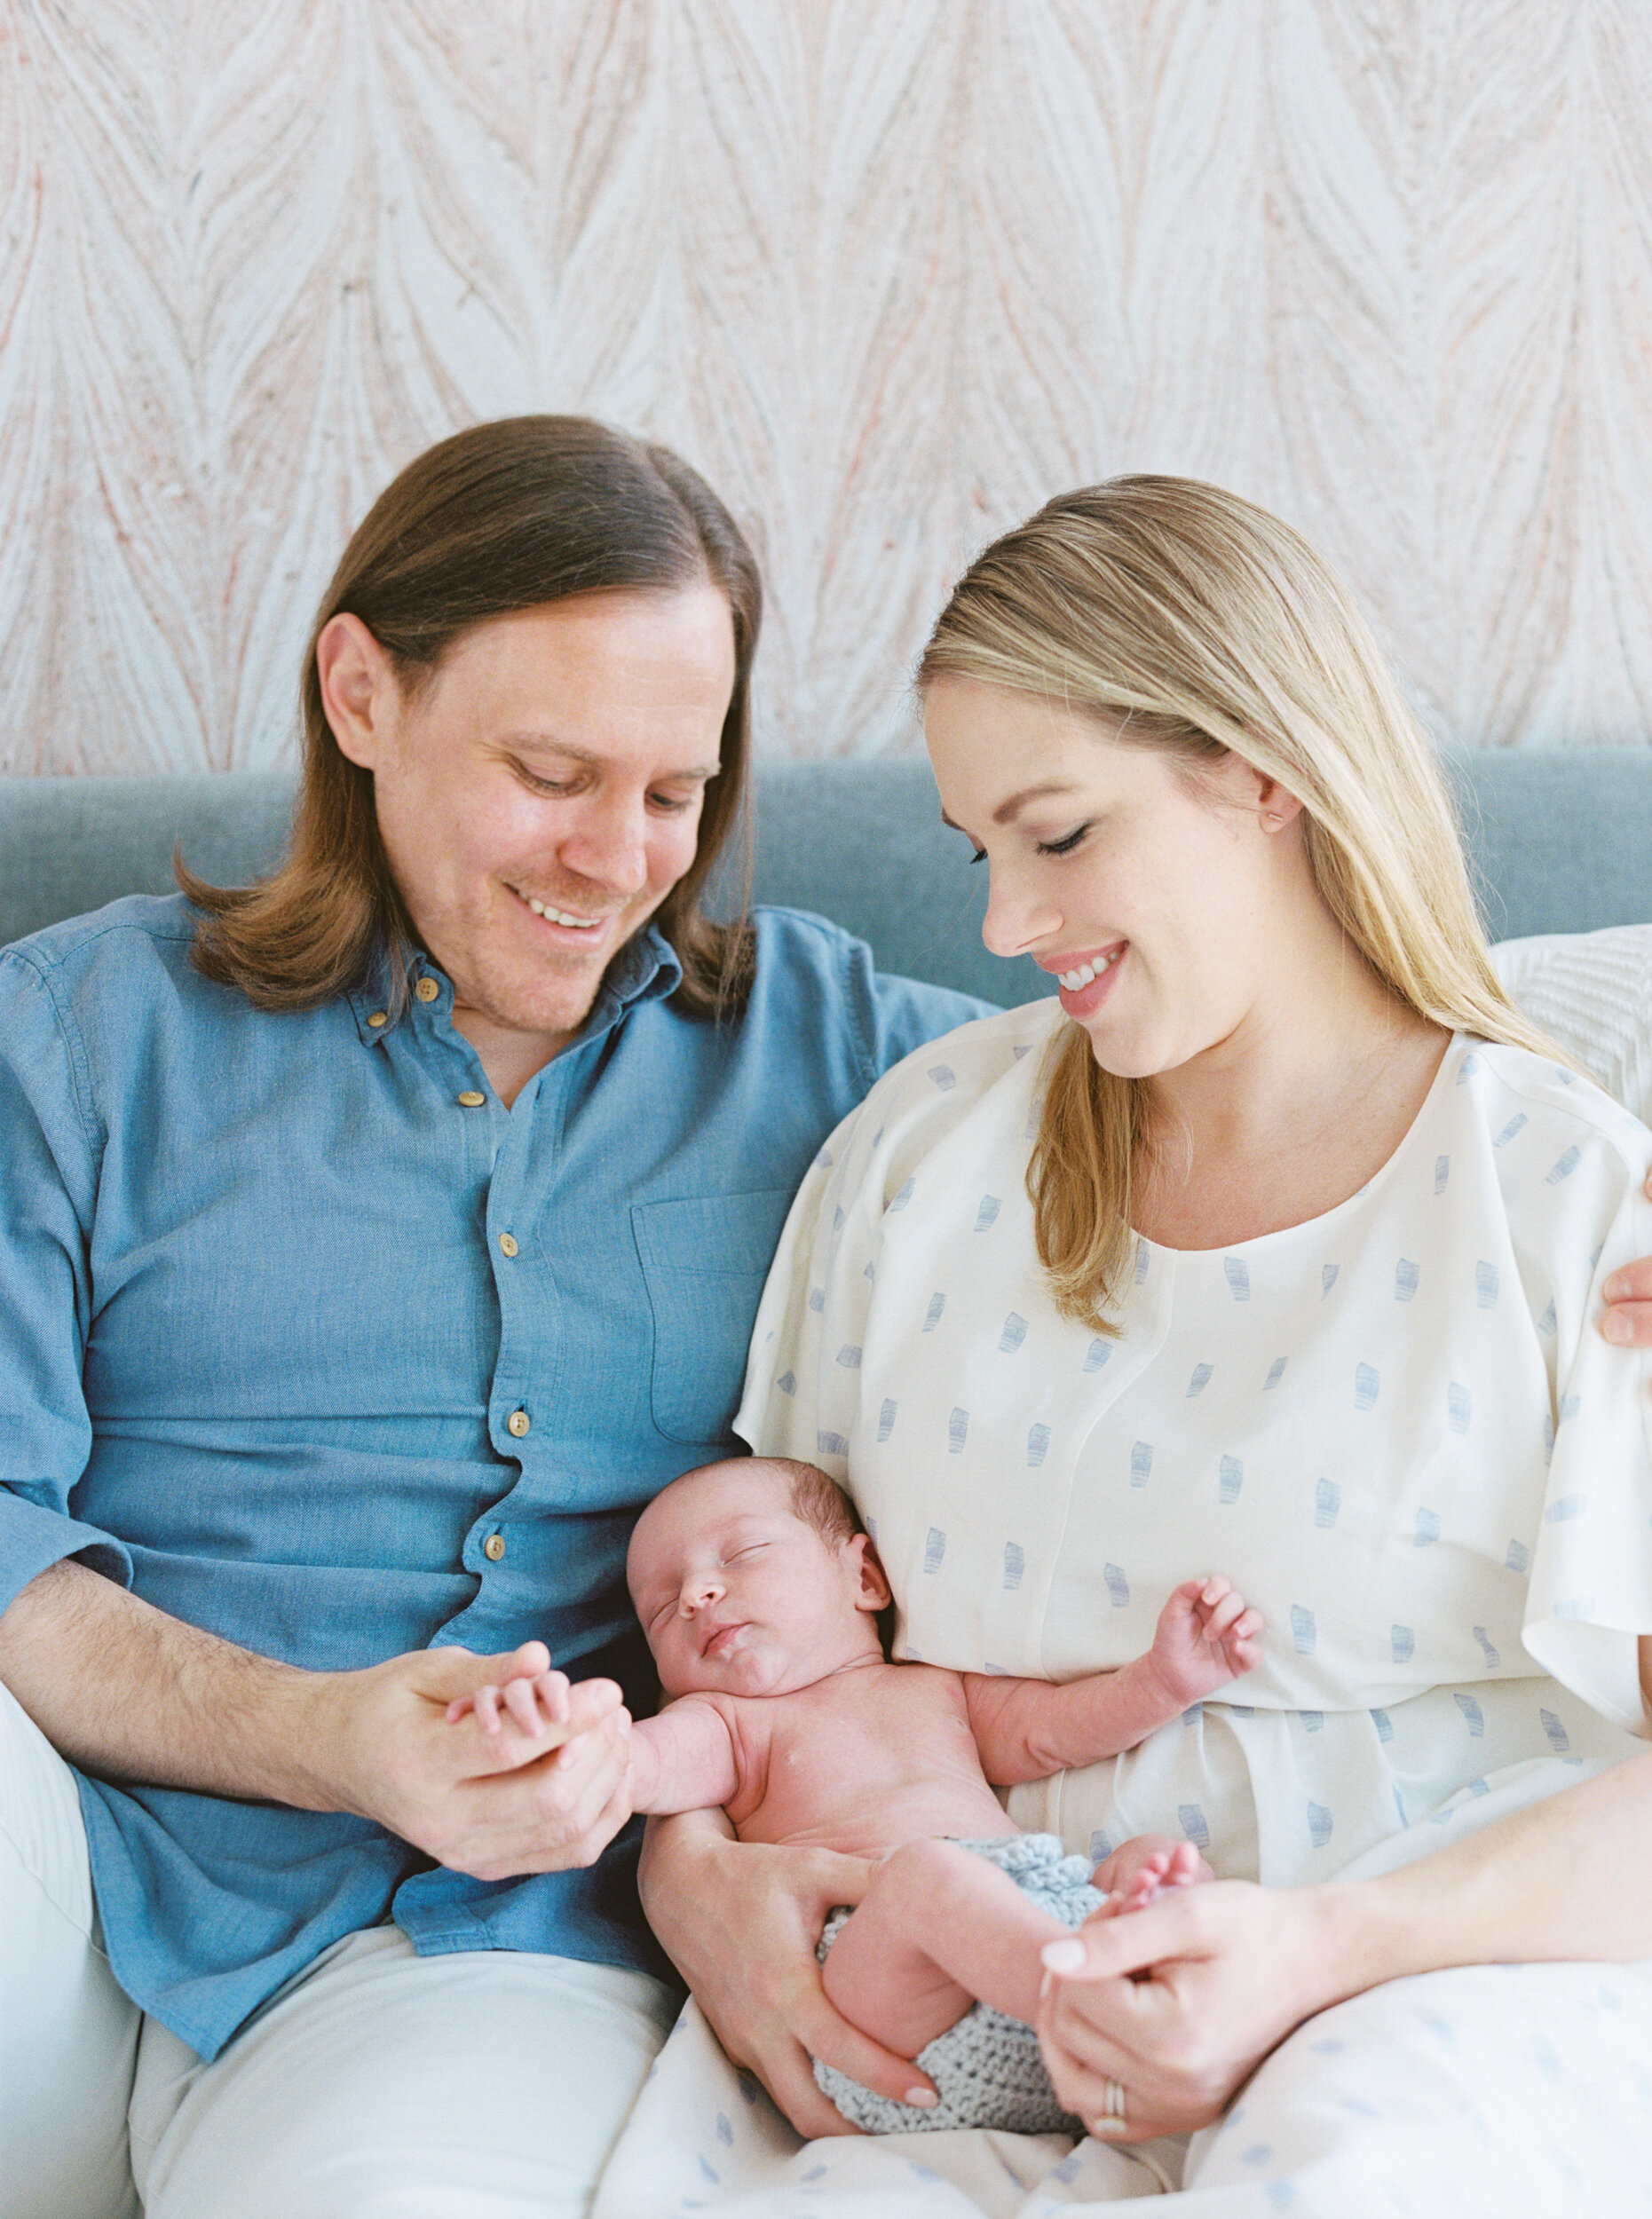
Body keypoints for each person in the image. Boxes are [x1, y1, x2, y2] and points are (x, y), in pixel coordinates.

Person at [0, 417, 993, 2219]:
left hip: (459, 1946)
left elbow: (1213, 1099)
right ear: (362, 692)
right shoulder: (75, 1037)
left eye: (673, 793)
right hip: (51, 1869)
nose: (617, 862)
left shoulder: (834, 1047)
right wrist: (327, 1731)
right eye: (552, 769)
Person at [628, 476, 1652, 2211]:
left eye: (1061, 834)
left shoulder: (1556, 1195)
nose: (1002, 928)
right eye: (979, 849)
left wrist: (1321, 1949)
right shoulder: (921, 1153)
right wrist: (690, 1877)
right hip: (969, 2020)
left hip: (1422, 1996)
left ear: (1263, 769)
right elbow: (756, 1648)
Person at [454, 1452, 1260, 2134]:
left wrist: (1163, 1680)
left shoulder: (936, 1691)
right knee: (926, 1878)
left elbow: (1058, 1729)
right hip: (873, 1999)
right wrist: (548, 1734)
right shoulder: (726, 1726)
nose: (697, 1594)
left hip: (1026, 1940)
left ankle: (1152, 1970)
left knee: (1149, 1858)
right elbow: (626, 1766)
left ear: (864, 1576)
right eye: (663, 1608)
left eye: (739, 1557)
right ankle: (1096, 1997)